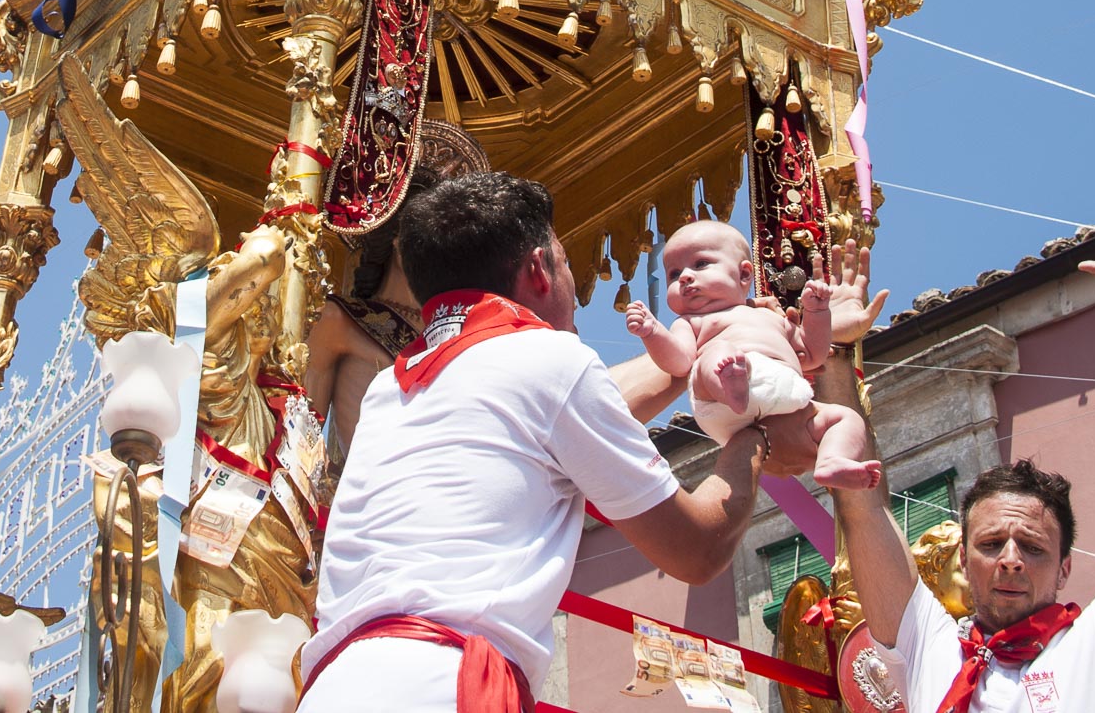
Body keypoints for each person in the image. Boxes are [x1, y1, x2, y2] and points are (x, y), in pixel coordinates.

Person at [297, 172, 791, 712]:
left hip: (334, 684)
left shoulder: (391, 388)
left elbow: (559, 411)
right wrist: (756, 420)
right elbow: (697, 548)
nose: (576, 289)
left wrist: (702, 343)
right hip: (445, 681)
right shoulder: (551, 363)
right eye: (565, 263)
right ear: (537, 269)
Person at [831, 192, 1095, 712]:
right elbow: (863, 506)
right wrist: (835, 359)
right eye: (991, 544)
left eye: (1035, 548)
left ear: (1065, 569)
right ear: (964, 560)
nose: (1012, 561)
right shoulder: (928, 646)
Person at [625, 220, 880, 489]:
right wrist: (652, 332)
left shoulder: (771, 317)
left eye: (700, 265)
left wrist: (818, 313)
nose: (685, 277)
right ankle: (732, 386)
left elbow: (813, 355)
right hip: (721, 399)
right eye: (674, 275)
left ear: (744, 275)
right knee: (717, 354)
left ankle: (833, 460)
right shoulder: (691, 323)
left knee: (846, 417)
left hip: (787, 396)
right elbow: (680, 363)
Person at [305, 166, 439, 457]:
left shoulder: (448, 337)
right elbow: (302, 431)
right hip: (367, 493)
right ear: (397, 239)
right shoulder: (339, 321)